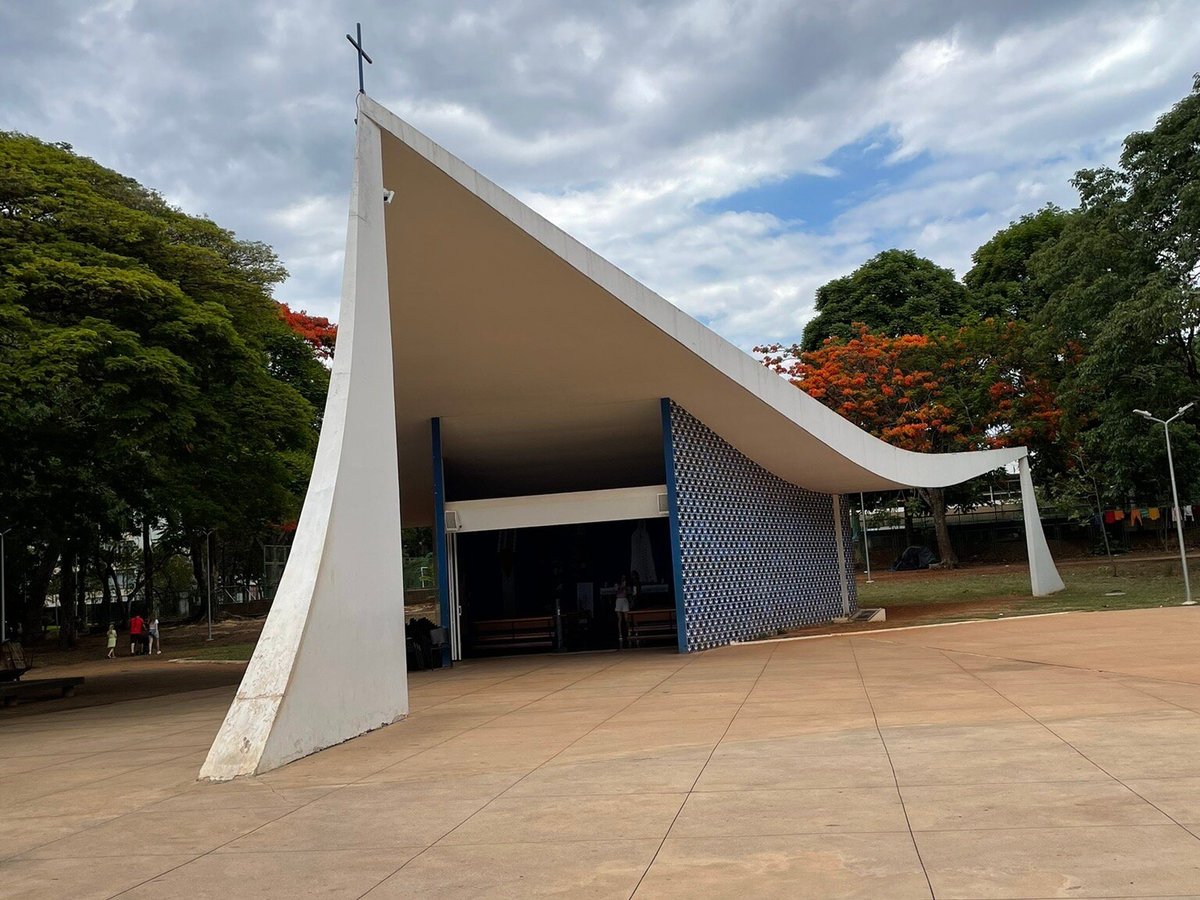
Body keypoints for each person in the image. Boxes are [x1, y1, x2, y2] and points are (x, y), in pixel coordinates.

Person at [614, 575, 630, 649]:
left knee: (626, 619)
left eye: (624, 577)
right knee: (620, 619)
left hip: (624, 600)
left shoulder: (626, 584)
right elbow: (616, 591)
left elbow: (628, 592)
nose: (623, 578)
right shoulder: (617, 584)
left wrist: (625, 587)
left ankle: (628, 632)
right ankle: (620, 634)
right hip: (618, 600)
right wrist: (621, 586)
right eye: (622, 577)